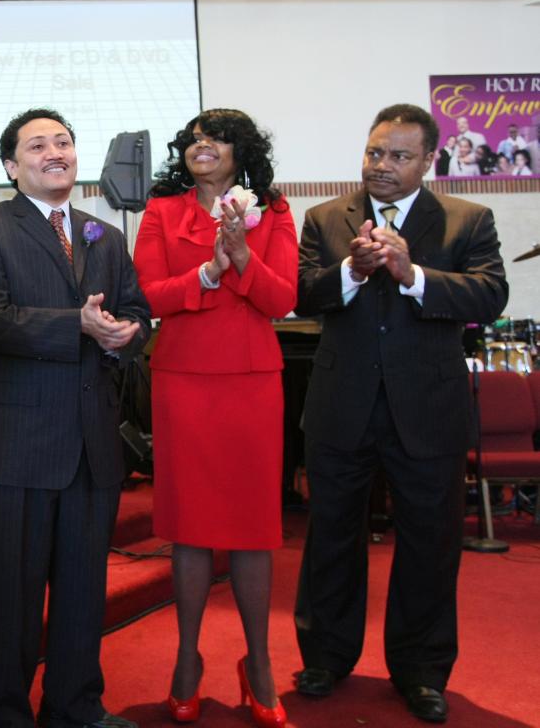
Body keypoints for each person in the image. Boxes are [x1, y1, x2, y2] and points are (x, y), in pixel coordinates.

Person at [293, 104, 507, 723]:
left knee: (431, 545)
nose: (381, 166)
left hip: (429, 411)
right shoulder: (325, 217)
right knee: (331, 537)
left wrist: (412, 274)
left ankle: (420, 671)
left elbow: (490, 295)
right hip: (342, 408)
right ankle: (326, 656)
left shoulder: (468, 219)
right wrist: (351, 272)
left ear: (428, 161)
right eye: (374, 153)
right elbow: (301, 292)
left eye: (398, 156)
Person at [0, 108, 151, 728]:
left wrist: (126, 333)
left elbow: (138, 313)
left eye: (63, 141)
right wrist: (78, 326)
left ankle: (75, 707)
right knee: (11, 599)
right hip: (19, 448)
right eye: (37, 145)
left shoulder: (104, 236)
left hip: (93, 447)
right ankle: (7, 717)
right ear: (13, 167)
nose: (54, 151)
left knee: (82, 592)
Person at [134, 109, 297, 728]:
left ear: (241, 153)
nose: (203, 145)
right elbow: (147, 295)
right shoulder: (162, 211)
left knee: (254, 528)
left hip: (253, 380)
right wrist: (208, 271)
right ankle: (186, 660)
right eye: (195, 137)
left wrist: (242, 258)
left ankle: (259, 664)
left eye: (218, 137)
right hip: (184, 380)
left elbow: (282, 300)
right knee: (192, 527)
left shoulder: (274, 213)